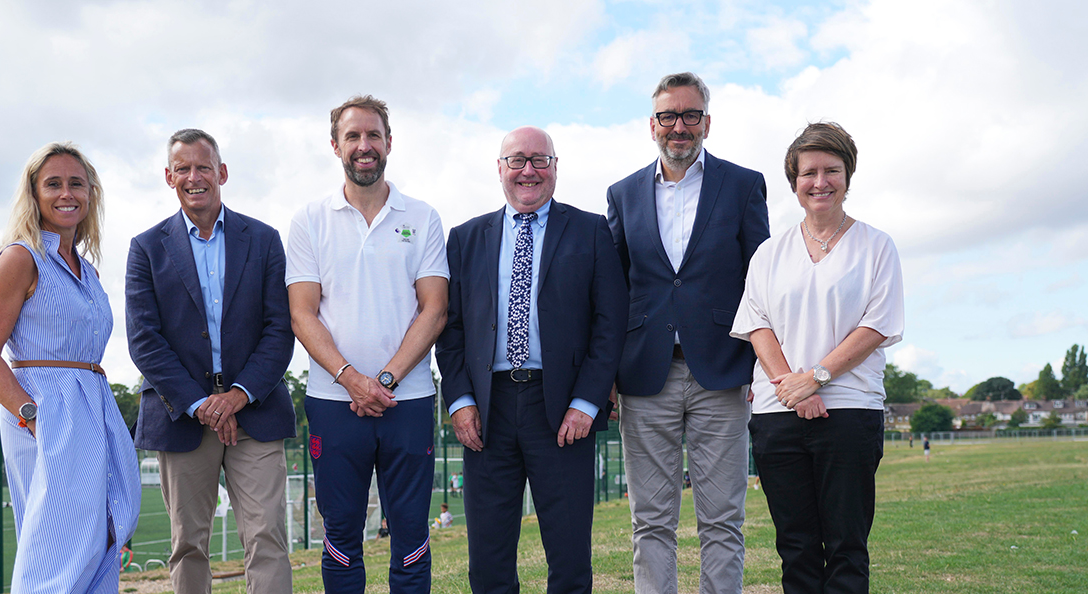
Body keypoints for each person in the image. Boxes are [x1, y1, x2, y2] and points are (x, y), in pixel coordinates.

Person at [436, 126, 627, 593]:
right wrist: (459, 400)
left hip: (562, 410)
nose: (529, 170)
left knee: (568, 559)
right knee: (489, 559)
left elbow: (611, 322)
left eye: (540, 160)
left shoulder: (591, 230)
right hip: (487, 412)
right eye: (517, 160)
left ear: (556, 168)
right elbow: (451, 326)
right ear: (499, 169)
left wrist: (586, 403)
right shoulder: (465, 238)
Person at [605, 72, 770, 594]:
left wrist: (760, 367)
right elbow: (612, 291)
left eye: (691, 115)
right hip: (643, 374)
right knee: (650, 521)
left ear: (707, 122)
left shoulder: (743, 185)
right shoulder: (623, 193)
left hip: (721, 373)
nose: (680, 127)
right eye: (669, 116)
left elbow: (760, 280)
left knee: (722, 520)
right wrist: (605, 374)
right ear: (652, 124)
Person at [731, 122, 904, 594]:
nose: (821, 182)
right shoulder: (769, 253)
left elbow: (877, 324)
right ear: (794, 181)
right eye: (809, 172)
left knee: (846, 545)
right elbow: (756, 322)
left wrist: (818, 378)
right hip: (777, 413)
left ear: (848, 176)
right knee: (796, 546)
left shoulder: (876, 246)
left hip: (849, 409)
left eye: (833, 170)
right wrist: (792, 386)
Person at [287, 95, 449, 594]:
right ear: (335, 145)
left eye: (373, 135)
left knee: (411, 538)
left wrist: (383, 381)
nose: (364, 146)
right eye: (353, 136)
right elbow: (302, 313)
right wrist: (353, 381)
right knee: (340, 539)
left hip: (409, 399)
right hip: (336, 403)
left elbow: (434, 309)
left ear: (389, 143)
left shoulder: (422, 216)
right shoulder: (309, 219)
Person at [126, 129, 295, 594]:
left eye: (204, 167)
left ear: (221, 173)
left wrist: (237, 395)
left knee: (267, 538)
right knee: (188, 545)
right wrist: (201, 404)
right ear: (168, 176)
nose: (194, 177)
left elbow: (280, 329)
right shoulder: (146, 248)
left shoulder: (263, 239)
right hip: (182, 417)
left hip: (255, 414)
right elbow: (144, 340)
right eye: (183, 168)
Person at [0, 142, 141, 593]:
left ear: (90, 194)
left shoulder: (88, 271)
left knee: (105, 532)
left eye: (76, 183)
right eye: (53, 184)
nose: (66, 193)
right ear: (34, 193)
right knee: (57, 545)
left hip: (93, 407)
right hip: (48, 412)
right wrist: (33, 418)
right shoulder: (20, 258)